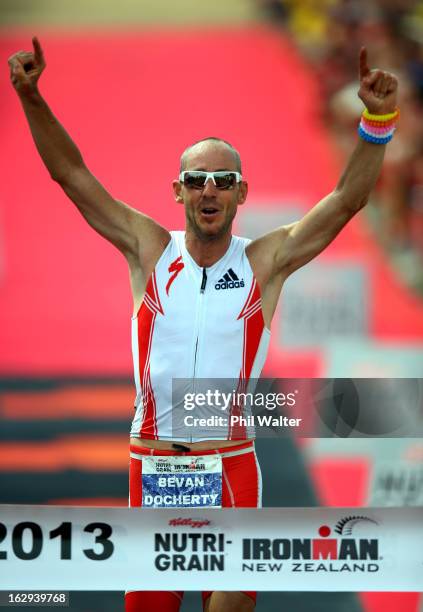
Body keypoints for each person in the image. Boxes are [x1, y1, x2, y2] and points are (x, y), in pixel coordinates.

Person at [8, 37, 398, 612]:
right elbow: (71, 174)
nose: (208, 189)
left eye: (221, 179)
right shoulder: (148, 250)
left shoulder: (265, 260)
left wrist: (378, 119)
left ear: (241, 193)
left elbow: (345, 201)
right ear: (177, 192)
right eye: (195, 179)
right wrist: (32, 96)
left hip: (230, 466)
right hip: (155, 468)